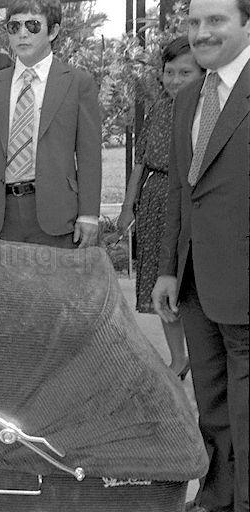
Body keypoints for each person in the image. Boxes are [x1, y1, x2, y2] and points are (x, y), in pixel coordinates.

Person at [151, 0, 249, 510]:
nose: (202, 33)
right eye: (193, 23)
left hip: (245, 280)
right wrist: (168, 268)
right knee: (211, 402)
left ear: (246, 23)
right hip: (194, 281)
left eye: (216, 21)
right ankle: (217, 498)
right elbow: (179, 194)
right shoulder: (190, 96)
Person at [0, 0, 102, 249]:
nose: (22, 34)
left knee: (55, 288)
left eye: (33, 25)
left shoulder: (78, 83)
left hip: (57, 213)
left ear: (53, 31)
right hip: (0, 214)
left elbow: (89, 156)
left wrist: (89, 214)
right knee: (3, 288)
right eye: (14, 26)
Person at [117, 36, 204, 380]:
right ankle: (178, 358)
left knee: (191, 284)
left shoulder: (209, 110)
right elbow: (140, 162)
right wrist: (128, 207)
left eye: (186, 72)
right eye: (169, 72)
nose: (176, 80)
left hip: (189, 201)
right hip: (155, 202)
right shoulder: (157, 110)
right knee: (160, 282)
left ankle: (203, 359)